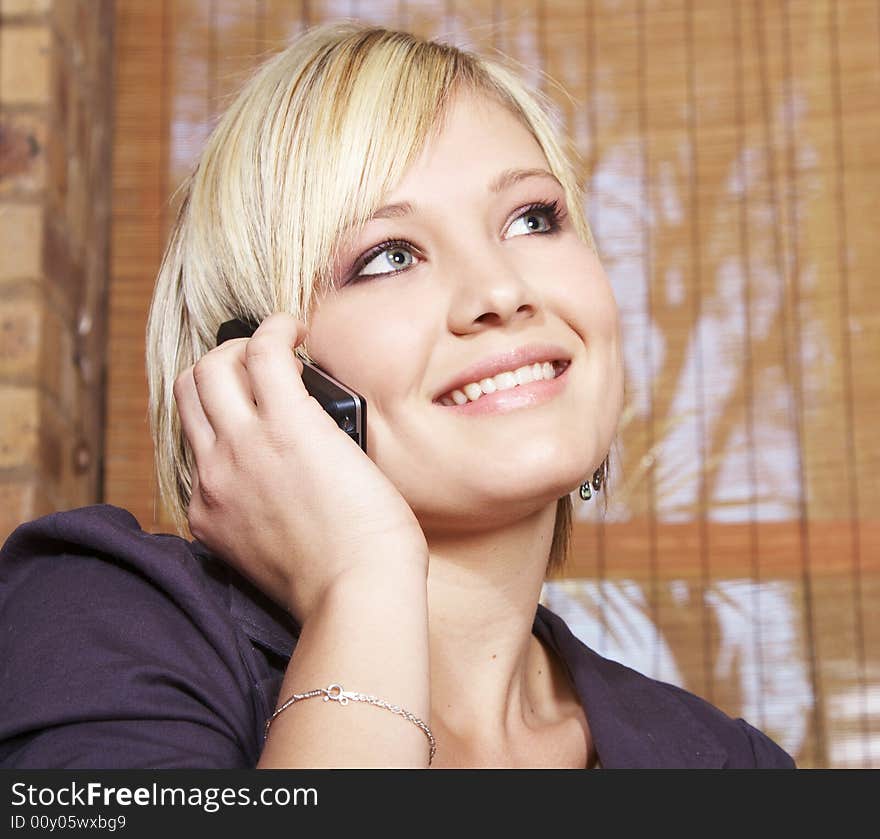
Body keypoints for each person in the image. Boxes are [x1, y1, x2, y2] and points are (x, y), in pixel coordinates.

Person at [0, 21, 795, 769]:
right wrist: (363, 585)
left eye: (531, 217)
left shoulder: (729, 765)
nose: (500, 288)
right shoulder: (97, 627)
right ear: (259, 370)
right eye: (388, 256)